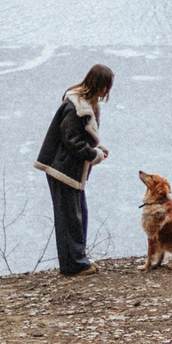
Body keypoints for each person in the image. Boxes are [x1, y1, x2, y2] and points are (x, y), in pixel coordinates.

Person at [33, 63, 113, 276]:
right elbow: (71, 140)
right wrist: (92, 154)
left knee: (77, 215)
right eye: (106, 86)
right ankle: (73, 265)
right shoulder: (76, 106)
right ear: (100, 84)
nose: (107, 91)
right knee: (70, 217)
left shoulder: (86, 103)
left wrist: (97, 149)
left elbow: (79, 138)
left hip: (71, 169)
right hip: (63, 170)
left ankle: (78, 260)